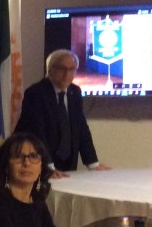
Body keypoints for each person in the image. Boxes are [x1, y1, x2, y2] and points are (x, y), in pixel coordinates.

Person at [15, 49, 111, 177]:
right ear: (50, 70)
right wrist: (47, 166)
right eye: (62, 69)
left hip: (69, 163)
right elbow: (37, 133)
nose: (67, 74)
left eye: (72, 69)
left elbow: (81, 128)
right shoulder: (36, 93)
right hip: (39, 164)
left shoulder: (74, 92)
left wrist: (93, 163)